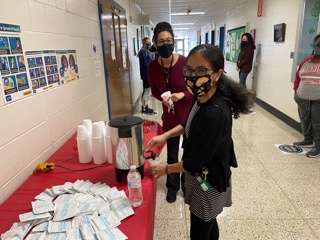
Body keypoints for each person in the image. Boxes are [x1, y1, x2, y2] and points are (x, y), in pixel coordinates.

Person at [147, 44, 254, 239]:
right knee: (209, 223)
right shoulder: (201, 95)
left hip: (209, 182)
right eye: (189, 70)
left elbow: (194, 162)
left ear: (216, 74)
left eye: (201, 70)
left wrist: (166, 169)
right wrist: (164, 136)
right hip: (199, 177)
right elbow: (189, 122)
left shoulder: (214, 113)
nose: (192, 76)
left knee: (200, 230)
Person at [147, 22, 193, 203]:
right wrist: (163, 99)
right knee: (172, 154)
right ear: (155, 44)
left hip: (189, 116)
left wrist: (183, 94)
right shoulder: (152, 67)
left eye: (169, 40)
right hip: (170, 118)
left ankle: (187, 186)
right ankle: (172, 187)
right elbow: (154, 92)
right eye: (161, 41)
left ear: (173, 41)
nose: (165, 44)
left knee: (189, 154)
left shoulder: (184, 63)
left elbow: (196, 89)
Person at [293, 33, 320, 158]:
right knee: (305, 119)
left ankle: (318, 147)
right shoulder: (306, 61)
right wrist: (295, 92)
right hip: (302, 97)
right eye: (317, 45)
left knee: (317, 122)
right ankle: (308, 139)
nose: (317, 47)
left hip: (318, 98)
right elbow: (298, 77)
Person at [138, 37, 156, 114]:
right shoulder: (142, 52)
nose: (149, 44)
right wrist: (152, 67)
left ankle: (146, 105)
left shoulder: (146, 51)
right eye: (147, 43)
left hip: (148, 73)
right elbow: (145, 64)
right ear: (143, 43)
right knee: (146, 90)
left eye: (149, 43)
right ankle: (144, 108)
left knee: (148, 90)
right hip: (145, 74)